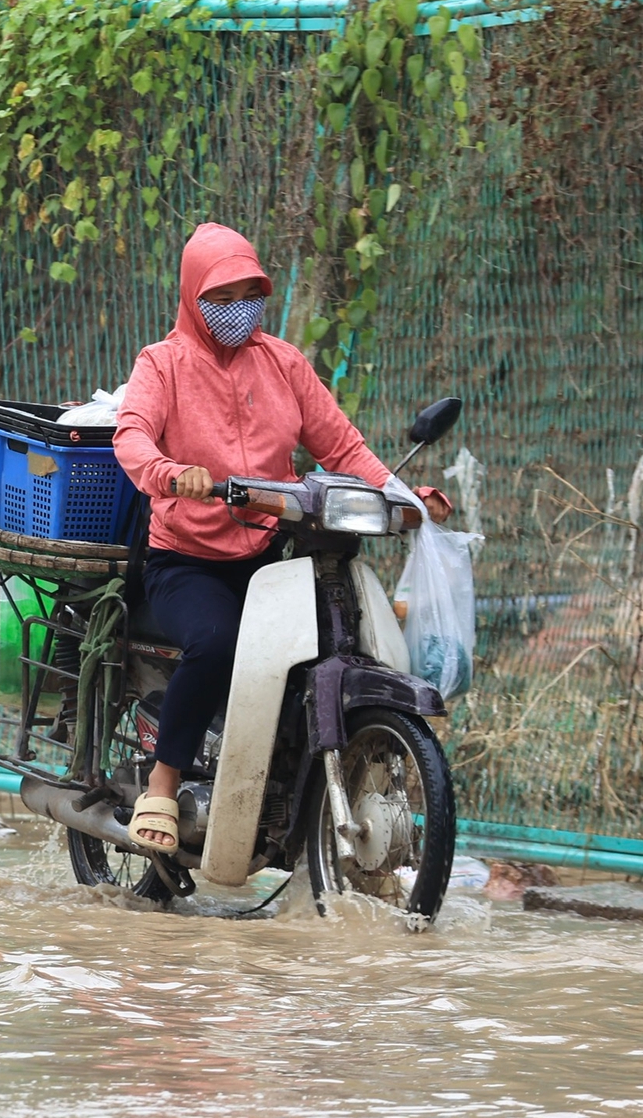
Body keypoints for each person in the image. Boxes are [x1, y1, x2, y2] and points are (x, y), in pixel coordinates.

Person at [112, 222, 451, 853]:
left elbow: (343, 445)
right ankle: (163, 781)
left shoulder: (284, 363)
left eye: (251, 292)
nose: (241, 308)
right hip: (185, 562)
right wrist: (169, 474)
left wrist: (407, 498)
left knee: (329, 648)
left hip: (270, 557)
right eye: (224, 295)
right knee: (215, 644)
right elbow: (131, 435)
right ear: (193, 297)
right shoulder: (162, 365)